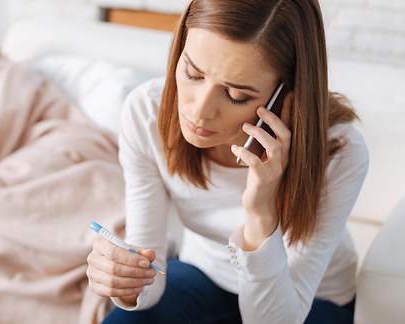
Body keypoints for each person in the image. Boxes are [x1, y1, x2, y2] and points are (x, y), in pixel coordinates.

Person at [86, 0, 369, 323]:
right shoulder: (146, 114)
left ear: (287, 96)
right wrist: (125, 280)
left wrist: (261, 210)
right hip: (204, 276)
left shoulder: (341, 151)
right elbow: (148, 283)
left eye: (236, 96)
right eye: (193, 73)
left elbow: (274, 320)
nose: (200, 111)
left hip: (309, 302)